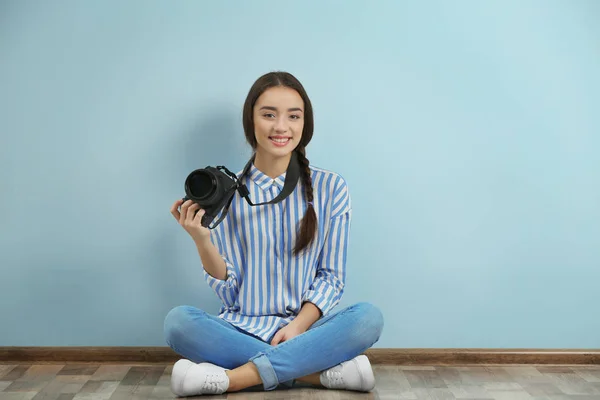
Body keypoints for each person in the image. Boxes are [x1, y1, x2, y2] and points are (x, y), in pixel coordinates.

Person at [165, 71, 384, 396]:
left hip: (307, 331)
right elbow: (229, 293)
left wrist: (297, 328)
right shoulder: (226, 193)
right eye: (269, 114)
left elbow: (331, 279)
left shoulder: (331, 188)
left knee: (368, 318)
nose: (281, 127)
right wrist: (201, 240)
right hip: (240, 328)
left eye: (293, 116)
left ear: (304, 124)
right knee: (178, 323)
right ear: (250, 122)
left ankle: (232, 379)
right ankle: (316, 375)